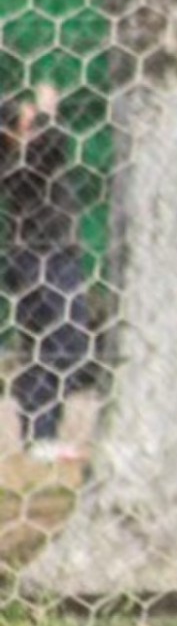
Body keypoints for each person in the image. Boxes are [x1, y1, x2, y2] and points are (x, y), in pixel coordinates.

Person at [0, 83, 94, 464]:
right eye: (25, 118)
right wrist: (49, 109)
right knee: (60, 343)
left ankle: (43, 435)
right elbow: (53, 146)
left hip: (43, 257)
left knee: (51, 345)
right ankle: (41, 436)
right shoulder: (19, 161)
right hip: (43, 258)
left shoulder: (21, 158)